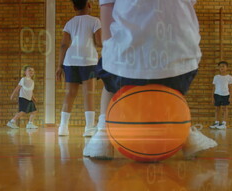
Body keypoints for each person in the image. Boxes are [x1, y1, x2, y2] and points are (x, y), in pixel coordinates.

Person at [83, 0, 217, 159]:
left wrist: (110, 50)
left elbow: (107, 10)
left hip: (128, 61)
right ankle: (184, 131)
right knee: (172, 92)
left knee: (109, 83)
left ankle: (103, 135)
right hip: (180, 58)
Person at [55, 0, 102, 137]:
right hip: (88, 60)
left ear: (74, 7)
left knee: (69, 94)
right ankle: (88, 128)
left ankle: (63, 128)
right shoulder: (95, 21)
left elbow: (63, 45)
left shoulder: (69, 23)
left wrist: (59, 66)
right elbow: (99, 42)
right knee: (89, 94)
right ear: (89, 5)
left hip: (70, 60)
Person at [209, 61, 232, 130]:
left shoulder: (229, 77)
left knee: (225, 109)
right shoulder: (216, 77)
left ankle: (224, 123)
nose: (221, 68)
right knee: (217, 108)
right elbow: (214, 87)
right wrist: (212, 97)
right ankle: (217, 122)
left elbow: (230, 87)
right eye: (220, 66)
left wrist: (230, 97)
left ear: (227, 68)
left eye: (223, 66)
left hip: (225, 94)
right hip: (217, 94)